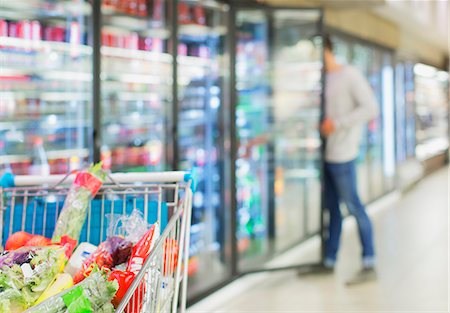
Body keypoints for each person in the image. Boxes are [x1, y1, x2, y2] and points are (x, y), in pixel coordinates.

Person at [320, 35, 379, 285]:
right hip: (325, 154)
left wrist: (338, 124)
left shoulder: (350, 75)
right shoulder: (321, 79)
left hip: (344, 154)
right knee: (332, 210)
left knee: (354, 206)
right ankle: (329, 260)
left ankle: (369, 260)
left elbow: (371, 108)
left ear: (326, 50)